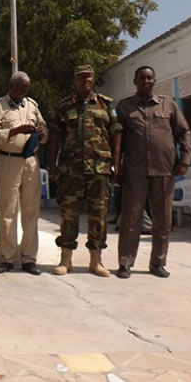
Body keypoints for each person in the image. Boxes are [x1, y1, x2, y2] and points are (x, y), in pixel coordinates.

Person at [116, 66, 191, 278]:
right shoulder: (124, 107)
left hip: (164, 170)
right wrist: (116, 166)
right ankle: (125, 263)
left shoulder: (168, 105)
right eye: (142, 78)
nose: (146, 81)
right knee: (131, 219)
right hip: (135, 171)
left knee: (163, 220)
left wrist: (185, 160)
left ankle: (158, 263)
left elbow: (184, 132)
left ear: (155, 81)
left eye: (150, 78)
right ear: (135, 81)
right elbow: (117, 139)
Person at [49, 65, 121, 277]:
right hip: (71, 169)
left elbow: (116, 132)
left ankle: (96, 260)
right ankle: (66, 259)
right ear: (75, 81)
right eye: (81, 77)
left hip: (99, 169)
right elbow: (54, 134)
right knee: (68, 215)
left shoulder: (106, 104)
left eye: (88, 77)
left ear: (93, 79)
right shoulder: (64, 106)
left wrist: (116, 161)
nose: (85, 80)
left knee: (98, 215)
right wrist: (52, 164)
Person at [0, 71, 48, 275]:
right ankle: (7, 258)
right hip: (8, 160)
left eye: (26, 90)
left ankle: (29, 258)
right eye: (19, 89)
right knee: (8, 211)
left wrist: (42, 133)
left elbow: (45, 131)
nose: (23, 93)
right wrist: (15, 131)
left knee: (31, 211)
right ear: (10, 87)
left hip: (30, 161)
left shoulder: (32, 105)